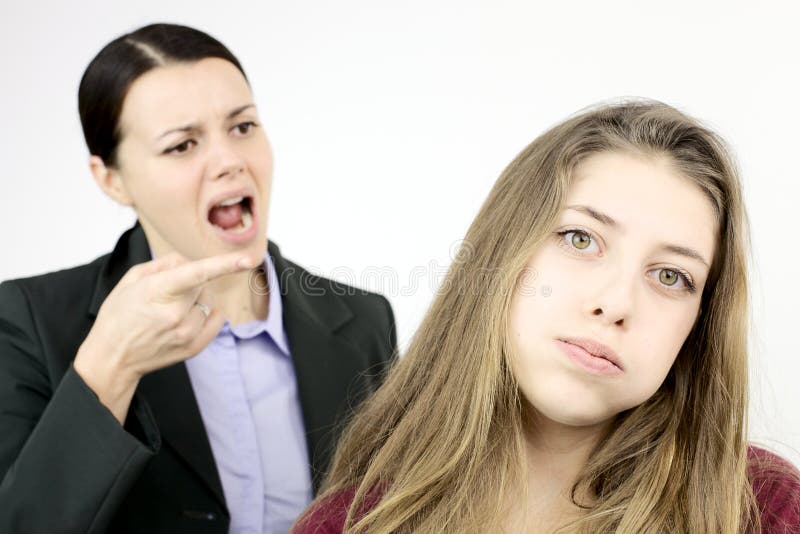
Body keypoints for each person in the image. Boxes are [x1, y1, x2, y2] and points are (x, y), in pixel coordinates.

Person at [293, 100, 800, 533]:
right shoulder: (348, 523)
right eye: (581, 239)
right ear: (501, 254)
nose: (617, 303)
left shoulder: (768, 512)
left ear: (699, 325)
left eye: (670, 276)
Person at [0, 23, 396, 534]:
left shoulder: (366, 321)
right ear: (112, 179)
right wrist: (111, 366)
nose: (229, 161)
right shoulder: (28, 321)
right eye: (183, 145)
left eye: (243, 127)